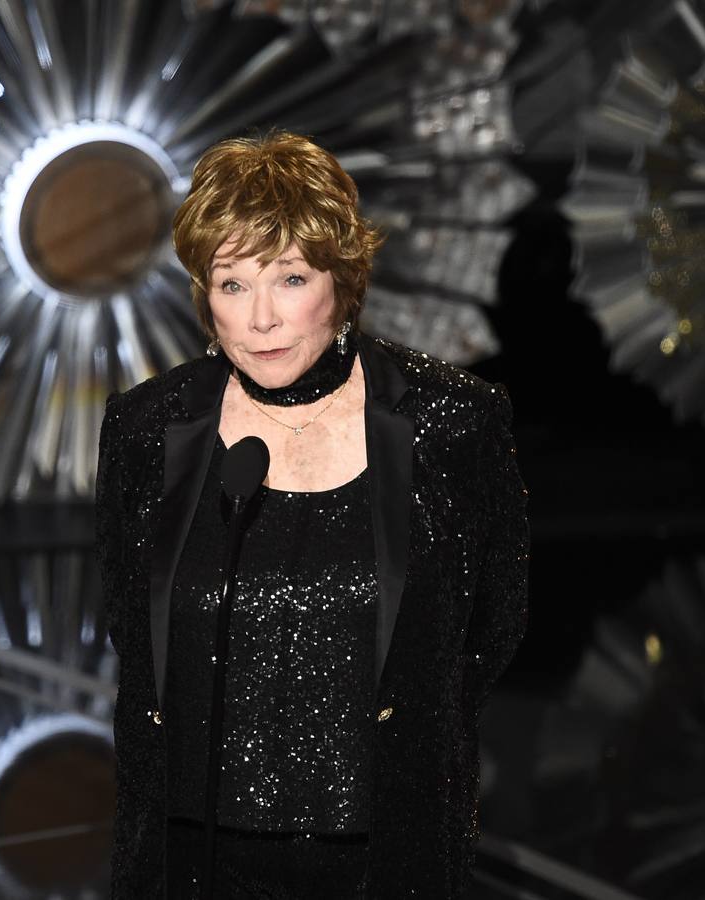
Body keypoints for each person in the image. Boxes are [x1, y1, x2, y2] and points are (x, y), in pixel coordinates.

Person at [94, 130, 530, 898]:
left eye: (289, 279)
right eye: (232, 285)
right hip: (193, 857)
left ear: (342, 278)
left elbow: (492, 628)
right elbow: (131, 628)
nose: (260, 319)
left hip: (386, 856)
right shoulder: (147, 429)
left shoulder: (453, 425)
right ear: (205, 296)